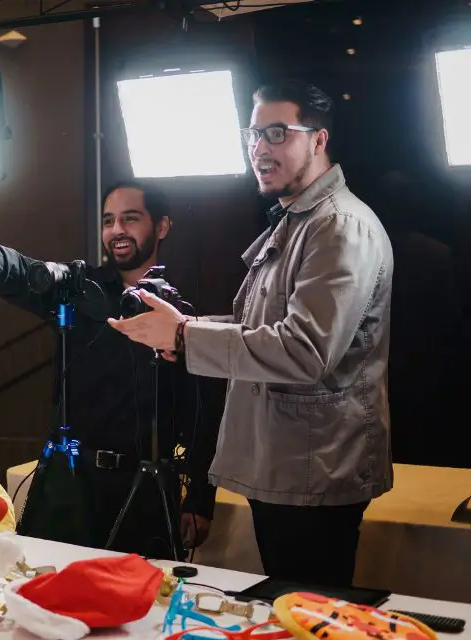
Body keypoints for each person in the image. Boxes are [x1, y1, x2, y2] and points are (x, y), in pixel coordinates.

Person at [108, 80, 393, 587]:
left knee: (310, 612)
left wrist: (184, 338)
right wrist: (184, 329)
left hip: (315, 468)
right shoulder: (299, 220)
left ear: (319, 140)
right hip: (287, 464)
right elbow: (263, 329)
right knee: (290, 608)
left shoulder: (339, 226)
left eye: (277, 133)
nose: (260, 148)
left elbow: (305, 351)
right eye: (253, 134)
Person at [0, 181, 224, 560]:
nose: (117, 229)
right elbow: (25, 272)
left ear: (162, 227)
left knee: (140, 607)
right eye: (108, 221)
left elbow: (206, 414)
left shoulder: (182, 313)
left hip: (145, 490)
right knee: (43, 594)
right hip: (69, 481)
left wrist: (200, 500)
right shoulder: (76, 288)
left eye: (130, 218)